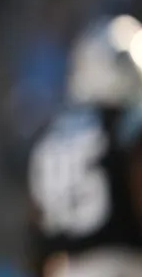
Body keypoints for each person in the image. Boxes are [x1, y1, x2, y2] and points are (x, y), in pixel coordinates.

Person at [26, 15, 142, 277]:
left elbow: (36, 223)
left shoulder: (49, 137)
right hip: (126, 264)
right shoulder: (126, 125)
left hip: (67, 268)